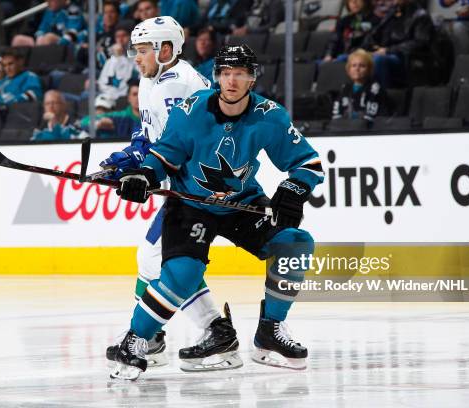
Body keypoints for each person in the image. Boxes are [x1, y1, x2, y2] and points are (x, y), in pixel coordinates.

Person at [110, 45, 324, 381]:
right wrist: (143, 176)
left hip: (241, 204)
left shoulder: (270, 115)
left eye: (240, 73)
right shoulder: (190, 111)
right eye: (225, 73)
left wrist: (293, 190)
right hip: (190, 205)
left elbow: (308, 163)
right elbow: (164, 155)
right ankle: (134, 341)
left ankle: (270, 331)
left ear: (252, 79)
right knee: (181, 275)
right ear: (217, 77)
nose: (232, 80)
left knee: (295, 244)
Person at [101, 16, 242, 373]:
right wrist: (129, 157)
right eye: (135, 50)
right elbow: (150, 131)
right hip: (191, 184)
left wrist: (140, 167)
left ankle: (197, 333)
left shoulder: (176, 85)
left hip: (200, 186)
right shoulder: (156, 80)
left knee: (155, 258)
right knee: (158, 258)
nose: (137, 57)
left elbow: (176, 144)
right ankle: (167, 335)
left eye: (143, 50)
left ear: (166, 50)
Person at [361, 0, 435, 87]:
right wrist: (368, 48)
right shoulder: (392, 13)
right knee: (345, 58)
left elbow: (420, 43)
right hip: (384, 53)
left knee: (379, 60)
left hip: (405, 59)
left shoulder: (420, 15)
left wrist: (388, 50)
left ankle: (382, 97)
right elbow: (375, 34)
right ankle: (349, 95)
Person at [332, 49, 388, 125]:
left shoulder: (375, 88)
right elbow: (337, 112)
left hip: (365, 129)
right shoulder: (345, 87)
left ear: (369, 70)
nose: (357, 69)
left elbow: (371, 116)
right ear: (348, 70)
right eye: (353, 66)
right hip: (344, 129)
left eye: (362, 66)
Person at [97, 25, 140, 108]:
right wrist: (117, 58)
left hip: (126, 97)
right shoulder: (111, 60)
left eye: (124, 36)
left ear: (131, 38)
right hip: (108, 96)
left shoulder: (137, 57)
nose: (120, 40)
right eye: (117, 37)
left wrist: (120, 58)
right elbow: (102, 82)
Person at [11, 0, 86, 47]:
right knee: (18, 39)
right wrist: (39, 38)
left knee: (48, 38)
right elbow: (41, 29)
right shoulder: (49, 11)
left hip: (71, 45)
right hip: (46, 45)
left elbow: (72, 33)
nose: (47, 2)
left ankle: (42, 68)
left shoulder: (73, 10)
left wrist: (59, 43)